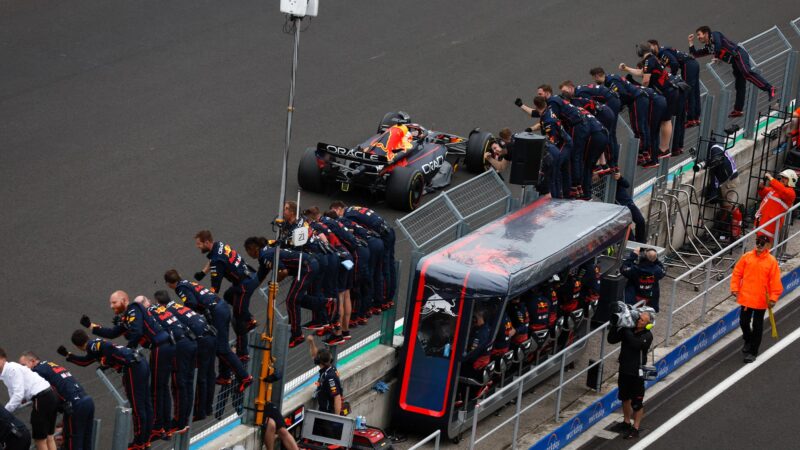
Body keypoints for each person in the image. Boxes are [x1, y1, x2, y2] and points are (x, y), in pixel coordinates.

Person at [84, 290, 175, 440]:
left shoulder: (133, 308)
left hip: (161, 347)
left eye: (114, 302)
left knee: (157, 390)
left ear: (124, 300)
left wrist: (128, 349)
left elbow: (137, 332)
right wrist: (90, 326)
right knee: (159, 389)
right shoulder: (128, 315)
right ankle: (162, 427)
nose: (111, 306)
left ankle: (159, 428)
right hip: (161, 347)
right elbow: (113, 333)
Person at [164, 270, 252, 394]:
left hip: (217, 312)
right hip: (221, 307)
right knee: (220, 345)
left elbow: (191, 303)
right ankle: (225, 375)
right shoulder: (187, 282)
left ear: (169, 283)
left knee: (222, 348)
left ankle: (244, 377)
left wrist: (189, 317)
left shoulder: (180, 288)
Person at [244, 237, 341, 348]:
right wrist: (248, 289)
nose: (248, 254)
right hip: (308, 265)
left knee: (291, 300)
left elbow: (283, 272)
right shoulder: (266, 253)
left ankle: (297, 334)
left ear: (254, 249)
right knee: (295, 299)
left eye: (248, 251)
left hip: (306, 267)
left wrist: (274, 282)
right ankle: (325, 304)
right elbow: (260, 276)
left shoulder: (266, 256)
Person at [62, 331, 152, 449]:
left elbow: (108, 349)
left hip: (133, 368)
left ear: (78, 346)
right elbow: (85, 361)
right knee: (145, 404)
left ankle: (139, 443)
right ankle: (146, 440)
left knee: (137, 407)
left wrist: (106, 362)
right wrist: (69, 356)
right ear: (87, 336)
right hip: (140, 362)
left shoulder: (92, 346)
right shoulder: (94, 344)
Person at [137, 295, 197, 436]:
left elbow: (142, 334)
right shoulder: (160, 308)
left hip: (176, 347)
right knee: (183, 384)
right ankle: (180, 421)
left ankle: (175, 423)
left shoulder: (148, 314)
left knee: (174, 386)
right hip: (189, 341)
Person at [194, 230, 258, 363]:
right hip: (248, 275)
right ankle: (247, 317)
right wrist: (202, 272)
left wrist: (203, 301)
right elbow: (213, 259)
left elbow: (214, 288)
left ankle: (242, 352)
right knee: (228, 296)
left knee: (238, 319)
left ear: (207, 242)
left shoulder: (217, 261)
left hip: (244, 285)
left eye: (199, 244)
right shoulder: (219, 245)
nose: (197, 246)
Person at [154, 289, 217, 422]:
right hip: (209, 334)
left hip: (200, 341)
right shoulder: (177, 305)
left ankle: (200, 412)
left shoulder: (168, 312)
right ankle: (207, 408)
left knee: (200, 377)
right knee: (209, 374)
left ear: (159, 303)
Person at [689, 26, 775, 117]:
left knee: (746, 72)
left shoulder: (715, 35)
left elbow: (718, 45)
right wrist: (690, 42)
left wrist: (716, 56)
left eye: (699, 35)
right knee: (739, 85)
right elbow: (695, 54)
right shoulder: (709, 47)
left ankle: (769, 88)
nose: (698, 37)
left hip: (739, 54)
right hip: (735, 63)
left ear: (706, 33)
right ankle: (738, 110)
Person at [18, 352, 94, 450]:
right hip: (87, 400)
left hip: (74, 405)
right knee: (86, 440)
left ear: (32, 361)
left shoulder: (36, 372)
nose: (21, 369)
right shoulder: (49, 364)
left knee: (73, 442)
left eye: (23, 365)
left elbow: (30, 392)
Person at [330, 202, 397, 311]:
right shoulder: (353, 208)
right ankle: (387, 297)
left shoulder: (347, 216)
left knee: (383, 268)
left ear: (338, 209)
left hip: (382, 235)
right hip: (387, 231)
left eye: (334, 212)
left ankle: (384, 299)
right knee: (389, 265)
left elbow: (352, 231)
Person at [730, 235, 783, 363]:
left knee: (757, 325)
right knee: (743, 322)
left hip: (761, 300)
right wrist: (735, 288)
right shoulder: (747, 257)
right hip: (746, 298)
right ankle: (748, 339)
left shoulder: (771, 261)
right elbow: (737, 273)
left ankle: (753, 352)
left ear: (768, 246)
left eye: (762, 243)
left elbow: (775, 281)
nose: (759, 245)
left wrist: (773, 298)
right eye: (758, 242)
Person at [305, 207, 354, 341]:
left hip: (338, 259)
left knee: (335, 295)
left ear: (309, 218)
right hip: (346, 256)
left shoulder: (315, 226)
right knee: (345, 294)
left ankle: (336, 332)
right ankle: (345, 331)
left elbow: (324, 242)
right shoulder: (324, 223)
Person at [590, 67, 655, 168]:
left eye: (594, 78)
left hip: (637, 100)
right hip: (640, 98)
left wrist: (619, 106)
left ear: (597, 75)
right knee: (642, 126)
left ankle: (642, 153)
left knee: (638, 127)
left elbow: (623, 94)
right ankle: (645, 152)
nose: (594, 80)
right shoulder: (611, 78)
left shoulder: (611, 81)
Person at [0, 347, 59, 450]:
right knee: (49, 437)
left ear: (3, 358)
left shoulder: (11, 368)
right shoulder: (5, 373)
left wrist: (5, 412)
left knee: (40, 439)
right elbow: (15, 395)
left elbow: (18, 395)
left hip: (41, 398)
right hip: (49, 395)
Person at [607, 311, 653, 440]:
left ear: (647, 325)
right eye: (638, 318)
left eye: (642, 320)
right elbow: (611, 340)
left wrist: (626, 329)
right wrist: (616, 325)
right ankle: (626, 422)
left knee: (637, 403)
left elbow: (635, 344)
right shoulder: (629, 330)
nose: (638, 320)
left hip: (636, 374)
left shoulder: (647, 335)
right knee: (624, 397)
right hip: (624, 371)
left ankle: (636, 428)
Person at [559, 80, 621, 173]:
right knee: (603, 136)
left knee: (605, 136)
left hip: (606, 109)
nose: (564, 93)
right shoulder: (579, 91)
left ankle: (612, 165)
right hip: (607, 106)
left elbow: (590, 107)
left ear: (571, 88)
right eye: (562, 92)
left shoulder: (579, 94)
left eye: (565, 91)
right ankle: (604, 164)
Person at [519, 95, 573, 198]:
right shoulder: (547, 111)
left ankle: (557, 199)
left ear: (535, 106)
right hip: (566, 142)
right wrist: (531, 129)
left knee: (554, 173)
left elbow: (553, 141)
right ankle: (566, 195)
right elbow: (538, 118)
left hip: (563, 144)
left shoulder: (548, 121)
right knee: (562, 172)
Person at [648, 39, 702, 127]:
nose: (649, 49)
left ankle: (691, 119)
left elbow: (674, 63)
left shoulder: (662, 52)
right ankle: (696, 117)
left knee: (688, 92)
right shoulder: (662, 52)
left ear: (655, 45)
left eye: (649, 46)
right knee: (695, 91)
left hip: (687, 65)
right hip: (692, 63)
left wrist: (672, 76)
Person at [755, 170, 797, 243]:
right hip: (762, 221)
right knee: (759, 244)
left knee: (765, 247)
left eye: (785, 178)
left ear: (791, 180)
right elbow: (765, 193)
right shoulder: (776, 189)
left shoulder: (791, 193)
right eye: (782, 177)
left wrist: (771, 178)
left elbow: (783, 191)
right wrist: (761, 189)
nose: (782, 179)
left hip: (770, 225)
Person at [306, 336, 344, 415]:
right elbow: (314, 355)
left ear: (319, 362)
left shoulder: (330, 377)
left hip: (329, 414)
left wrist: (337, 418)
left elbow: (337, 397)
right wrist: (311, 342)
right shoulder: (329, 368)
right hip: (325, 411)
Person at [614, 172, 647, 244]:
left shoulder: (613, 176)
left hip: (628, 203)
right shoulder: (601, 184)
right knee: (628, 231)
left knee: (640, 221)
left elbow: (627, 184)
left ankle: (641, 244)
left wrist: (620, 178)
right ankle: (632, 247)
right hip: (619, 209)